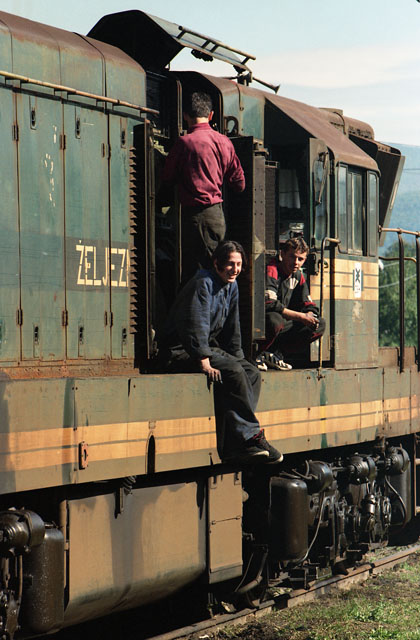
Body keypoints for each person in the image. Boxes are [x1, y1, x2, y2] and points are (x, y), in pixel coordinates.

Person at [164, 240, 282, 465]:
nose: (235, 269)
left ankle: (237, 440)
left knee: (251, 373)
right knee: (234, 371)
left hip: (206, 348)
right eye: (230, 264)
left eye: (238, 264)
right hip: (181, 349)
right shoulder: (203, 283)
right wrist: (203, 360)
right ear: (216, 262)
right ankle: (250, 436)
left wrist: (240, 359)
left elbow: (232, 328)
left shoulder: (231, 286)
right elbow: (195, 322)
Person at [161, 92, 245, 284]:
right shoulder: (225, 142)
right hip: (216, 216)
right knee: (214, 270)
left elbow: (167, 177)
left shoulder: (184, 143)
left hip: (195, 218)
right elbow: (239, 184)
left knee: (197, 275)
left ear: (185, 115)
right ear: (211, 115)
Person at [258, 237, 325, 371]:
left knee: (319, 324)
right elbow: (269, 303)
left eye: (300, 259)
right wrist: (301, 317)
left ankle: (276, 354)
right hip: (265, 322)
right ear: (282, 254)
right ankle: (257, 353)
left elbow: (308, 304)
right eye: (292, 257)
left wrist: (310, 315)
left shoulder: (298, 276)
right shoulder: (272, 269)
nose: (296, 262)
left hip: (284, 323)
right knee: (274, 320)